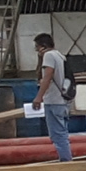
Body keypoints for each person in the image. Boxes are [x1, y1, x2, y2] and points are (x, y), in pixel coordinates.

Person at [33, 34, 76, 163]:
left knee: (57, 134)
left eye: (37, 47)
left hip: (53, 100)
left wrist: (38, 97)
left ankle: (66, 161)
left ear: (43, 47)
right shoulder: (59, 55)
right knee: (62, 132)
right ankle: (66, 159)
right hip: (62, 100)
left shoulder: (49, 56)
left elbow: (46, 78)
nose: (36, 50)